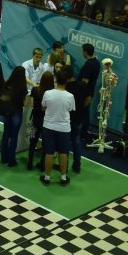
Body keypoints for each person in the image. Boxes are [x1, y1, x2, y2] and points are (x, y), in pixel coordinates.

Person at [41, 68, 76, 186]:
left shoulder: (47, 93)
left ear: (56, 79)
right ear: (67, 81)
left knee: (49, 153)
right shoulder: (70, 96)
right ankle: (63, 178)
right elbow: (70, 110)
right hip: (64, 128)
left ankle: (47, 178)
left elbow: (43, 107)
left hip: (48, 127)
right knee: (63, 153)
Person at [71, 43, 100, 173]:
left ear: (86, 52)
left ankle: (82, 133)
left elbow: (84, 82)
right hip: (90, 92)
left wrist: (78, 93)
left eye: (83, 51)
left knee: (82, 113)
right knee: (85, 113)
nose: (82, 53)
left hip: (84, 94)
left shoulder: (89, 65)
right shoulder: (96, 62)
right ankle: (84, 133)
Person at [0, 65, 29, 167]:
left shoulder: (7, 84)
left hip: (7, 112)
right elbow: (25, 103)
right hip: (17, 112)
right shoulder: (23, 87)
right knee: (14, 136)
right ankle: (11, 160)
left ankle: (3, 158)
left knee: (6, 133)